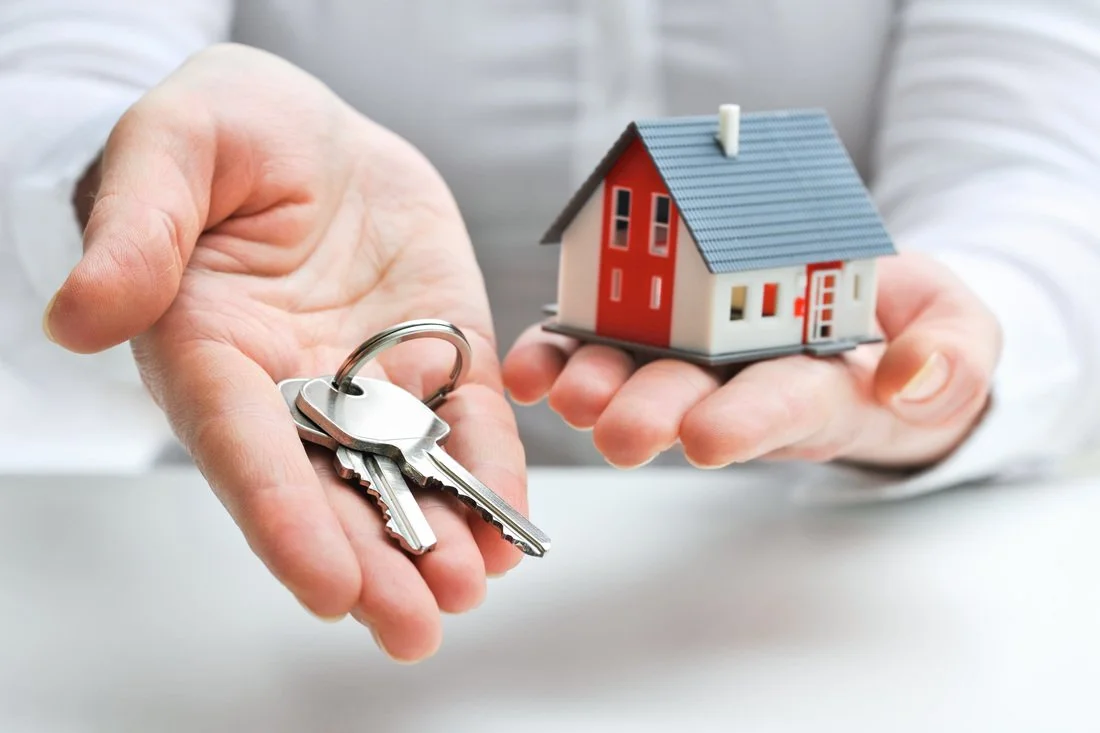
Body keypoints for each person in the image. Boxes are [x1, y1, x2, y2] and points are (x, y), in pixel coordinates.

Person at [2, 0, 1098, 662]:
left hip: (845, 582)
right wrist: (131, 175)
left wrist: (952, 342)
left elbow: (1040, 178)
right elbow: (51, 78)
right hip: (207, 582)